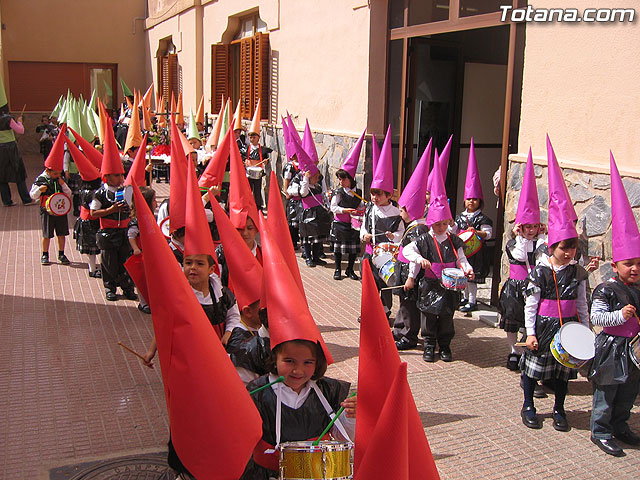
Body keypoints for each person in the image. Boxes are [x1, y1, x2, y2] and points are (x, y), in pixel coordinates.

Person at [241, 339, 356, 479]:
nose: (298, 370)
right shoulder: (258, 392)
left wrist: (351, 415)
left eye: (308, 362)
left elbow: (341, 435)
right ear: (275, 358)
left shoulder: (327, 390)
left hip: (316, 473)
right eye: (289, 361)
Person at [588, 154, 640, 457]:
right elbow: (597, 317)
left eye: (638, 264)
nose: (634, 269)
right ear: (615, 264)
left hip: (632, 350)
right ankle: (601, 430)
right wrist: (619, 315)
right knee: (607, 393)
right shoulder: (607, 288)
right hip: (611, 348)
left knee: (628, 392)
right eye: (628, 264)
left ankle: (621, 426)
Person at [402, 161, 473, 362]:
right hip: (430, 284)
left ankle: (445, 346)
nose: (441, 227)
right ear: (431, 222)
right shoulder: (424, 239)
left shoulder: (454, 240)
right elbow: (408, 252)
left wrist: (467, 270)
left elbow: (462, 258)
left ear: (448, 222)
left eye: (444, 223)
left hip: (449, 286)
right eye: (437, 224)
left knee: (447, 317)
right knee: (429, 317)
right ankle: (429, 344)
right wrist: (416, 268)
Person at [499, 150, 545, 371]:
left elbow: (544, 258)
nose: (530, 230)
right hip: (515, 287)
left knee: (531, 321)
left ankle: (527, 349)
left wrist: (542, 236)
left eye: (534, 226)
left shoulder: (541, 244)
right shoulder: (514, 243)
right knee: (511, 320)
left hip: (533, 286)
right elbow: (518, 256)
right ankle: (513, 351)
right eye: (527, 226)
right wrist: (518, 237)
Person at [392, 140, 432, 350]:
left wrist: (410, 277)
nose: (400, 213)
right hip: (405, 270)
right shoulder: (415, 226)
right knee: (404, 304)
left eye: (402, 209)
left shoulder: (418, 229)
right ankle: (399, 330)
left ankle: (408, 336)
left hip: (411, 273)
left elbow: (415, 256)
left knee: (409, 305)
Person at [360, 129, 403, 318]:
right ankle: (368, 311)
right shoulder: (370, 208)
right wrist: (364, 236)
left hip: (387, 255)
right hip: (370, 253)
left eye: (379, 194)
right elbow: (363, 226)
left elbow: (402, 233)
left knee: (385, 285)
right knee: (369, 284)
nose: (375, 197)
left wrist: (394, 237)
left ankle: (385, 311)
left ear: (389, 195)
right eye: (373, 193)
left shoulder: (396, 213)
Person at [90, 127, 136, 302]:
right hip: (107, 233)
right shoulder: (100, 194)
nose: (120, 178)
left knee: (126, 261)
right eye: (116, 175)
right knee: (109, 262)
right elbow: (93, 213)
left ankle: (127, 288)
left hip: (124, 232)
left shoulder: (125, 190)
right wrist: (110, 211)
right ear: (106, 177)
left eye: (121, 175)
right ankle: (110, 288)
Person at [450, 140, 492, 313]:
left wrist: (478, 232)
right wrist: (452, 226)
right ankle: (465, 298)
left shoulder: (482, 218)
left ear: (479, 201)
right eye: (469, 199)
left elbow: (488, 234)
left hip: (476, 252)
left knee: (473, 278)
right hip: (463, 251)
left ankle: (473, 300)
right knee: (464, 276)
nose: (471, 202)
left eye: (474, 199)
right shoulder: (460, 216)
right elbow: (455, 231)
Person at [63, 135, 103, 278]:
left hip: (84, 221)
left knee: (91, 249)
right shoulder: (94, 193)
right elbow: (95, 209)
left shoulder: (83, 189)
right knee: (94, 247)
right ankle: (93, 269)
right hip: (92, 222)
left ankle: (92, 268)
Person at [30, 161, 72, 266]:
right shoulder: (41, 180)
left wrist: (63, 184)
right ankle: (45, 254)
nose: (58, 176)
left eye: (59, 173)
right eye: (55, 174)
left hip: (60, 210)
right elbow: (32, 195)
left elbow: (68, 193)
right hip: (47, 211)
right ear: (48, 171)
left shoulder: (59, 180)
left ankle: (61, 254)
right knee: (47, 234)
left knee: (61, 233)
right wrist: (40, 190)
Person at [330, 168, 364, 280]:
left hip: (354, 224)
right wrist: (345, 210)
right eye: (339, 179)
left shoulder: (358, 192)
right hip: (340, 224)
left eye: (343, 179)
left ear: (350, 179)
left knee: (353, 248)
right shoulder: (338, 192)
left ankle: (350, 269)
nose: (341, 182)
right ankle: (338, 269)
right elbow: (333, 207)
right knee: (338, 248)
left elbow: (360, 205)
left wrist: (360, 210)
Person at [128, 186, 157, 313]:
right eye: (154, 200)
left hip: (151, 253)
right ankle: (143, 303)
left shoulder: (151, 217)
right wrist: (135, 248)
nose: (156, 203)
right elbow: (131, 235)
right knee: (142, 279)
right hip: (142, 253)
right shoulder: (137, 221)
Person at [0, 101, 32, 206]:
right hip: (10, 148)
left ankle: (6, 201)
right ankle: (26, 199)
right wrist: (20, 122)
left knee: (1, 176)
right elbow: (20, 130)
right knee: (19, 173)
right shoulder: (8, 119)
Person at [244, 104, 272, 211]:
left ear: (258, 138)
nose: (251, 139)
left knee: (257, 190)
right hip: (248, 172)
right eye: (250, 137)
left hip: (258, 173)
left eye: (254, 137)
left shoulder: (263, 149)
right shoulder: (246, 148)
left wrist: (265, 162)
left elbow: (267, 160)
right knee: (248, 190)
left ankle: (258, 207)